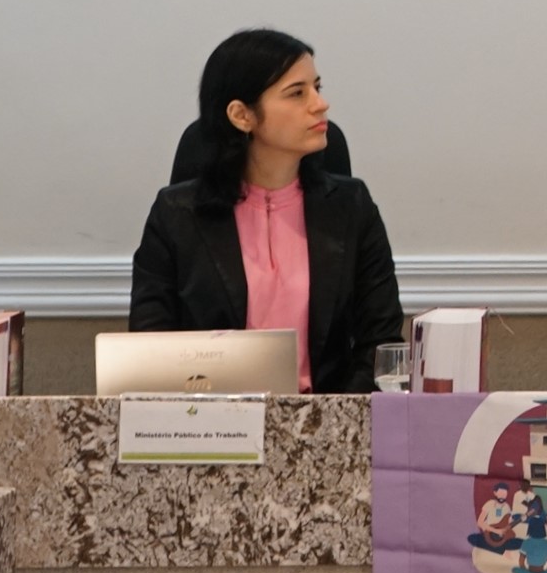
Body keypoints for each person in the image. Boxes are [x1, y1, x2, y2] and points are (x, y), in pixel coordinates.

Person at [128, 28, 407, 392]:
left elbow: (380, 343)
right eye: (296, 93)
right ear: (242, 115)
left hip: (327, 426)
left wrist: (330, 425)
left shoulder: (351, 207)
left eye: (317, 88)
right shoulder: (176, 215)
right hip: (209, 428)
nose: (320, 104)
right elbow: (152, 348)